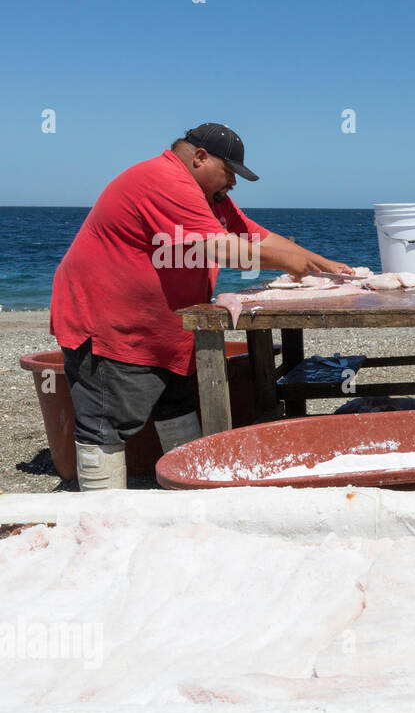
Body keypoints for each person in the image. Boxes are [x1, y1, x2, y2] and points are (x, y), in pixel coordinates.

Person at [49, 123, 356, 490]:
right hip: (109, 326)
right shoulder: (164, 180)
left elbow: (256, 235)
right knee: (106, 424)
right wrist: (288, 265)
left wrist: (325, 264)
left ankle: (188, 501)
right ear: (199, 158)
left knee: (175, 408)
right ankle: (100, 523)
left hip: (162, 331)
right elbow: (222, 248)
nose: (234, 183)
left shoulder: (208, 197)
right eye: (229, 172)